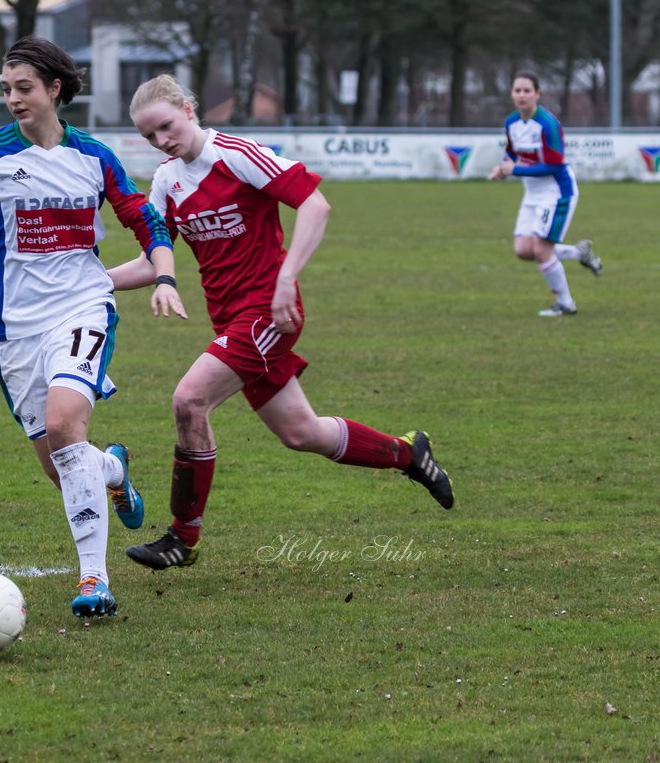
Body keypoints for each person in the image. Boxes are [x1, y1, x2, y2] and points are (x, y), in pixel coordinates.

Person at [107, 74, 454, 572]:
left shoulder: (237, 153)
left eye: (165, 127)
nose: (162, 141)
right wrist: (92, 281)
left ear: (187, 109)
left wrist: (288, 277)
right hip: (231, 322)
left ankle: (183, 537)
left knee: (189, 399)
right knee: (301, 432)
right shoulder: (166, 180)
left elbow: (316, 203)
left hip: (270, 312)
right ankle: (408, 454)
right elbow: (153, 262)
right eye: (149, 137)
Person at [0, 36, 178, 617]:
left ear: (54, 89)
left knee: (65, 423)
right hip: (15, 329)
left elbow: (145, 221)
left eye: (23, 88)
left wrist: (165, 277)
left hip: (82, 308)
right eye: (5, 90)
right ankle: (113, 469)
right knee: (61, 463)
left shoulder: (94, 157)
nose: (13, 99)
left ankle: (94, 582)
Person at [487, 70, 601, 316]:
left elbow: (555, 165)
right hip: (532, 193)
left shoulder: (548, 125)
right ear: (511, 94)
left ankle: (565, 304)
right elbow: (511, 152)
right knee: (523, 250)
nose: (522, 95)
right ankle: (578, 252)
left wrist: (514, 169)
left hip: (557, 192)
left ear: (537, 94)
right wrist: (502, 167)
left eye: (527, 90)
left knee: (541, 248)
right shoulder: (511, 123)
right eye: (517, 90)